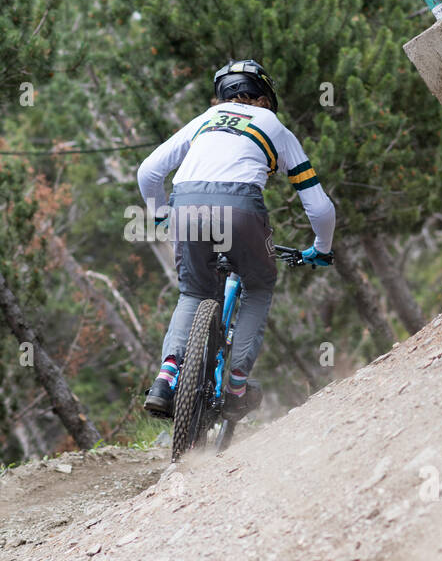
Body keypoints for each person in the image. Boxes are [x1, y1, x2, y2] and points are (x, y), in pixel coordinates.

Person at [137, 59, 335, 419]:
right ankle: (237, 387)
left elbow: (148, 171)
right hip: (241, 207)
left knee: (194, 292)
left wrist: (162, 215)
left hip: (186, 203)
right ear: (264, 96)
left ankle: (166, 378)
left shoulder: (204, 121)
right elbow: (319, 206)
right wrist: (320, 249)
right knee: (258, 286)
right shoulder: (274, 126)